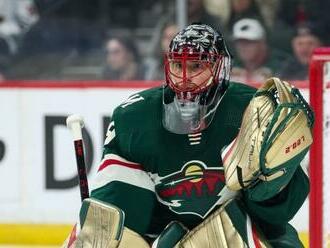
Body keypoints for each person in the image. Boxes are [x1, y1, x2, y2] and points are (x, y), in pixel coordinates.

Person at [63, 23, 312, 247]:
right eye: (178, 65)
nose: (184, 78)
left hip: (243, 230)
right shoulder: (136, 118)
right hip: (165, 235)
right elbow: (120, 209)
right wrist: (98, 232)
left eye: (196, 66)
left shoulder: (253, 111)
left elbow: (276, 215)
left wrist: (270, 185)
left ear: (220, 68)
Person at [230, 18, 289, 83]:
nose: (243, 47)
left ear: (262, 43)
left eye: (249, 42)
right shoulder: (230, 66)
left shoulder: (282, 65)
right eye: (239, 42)